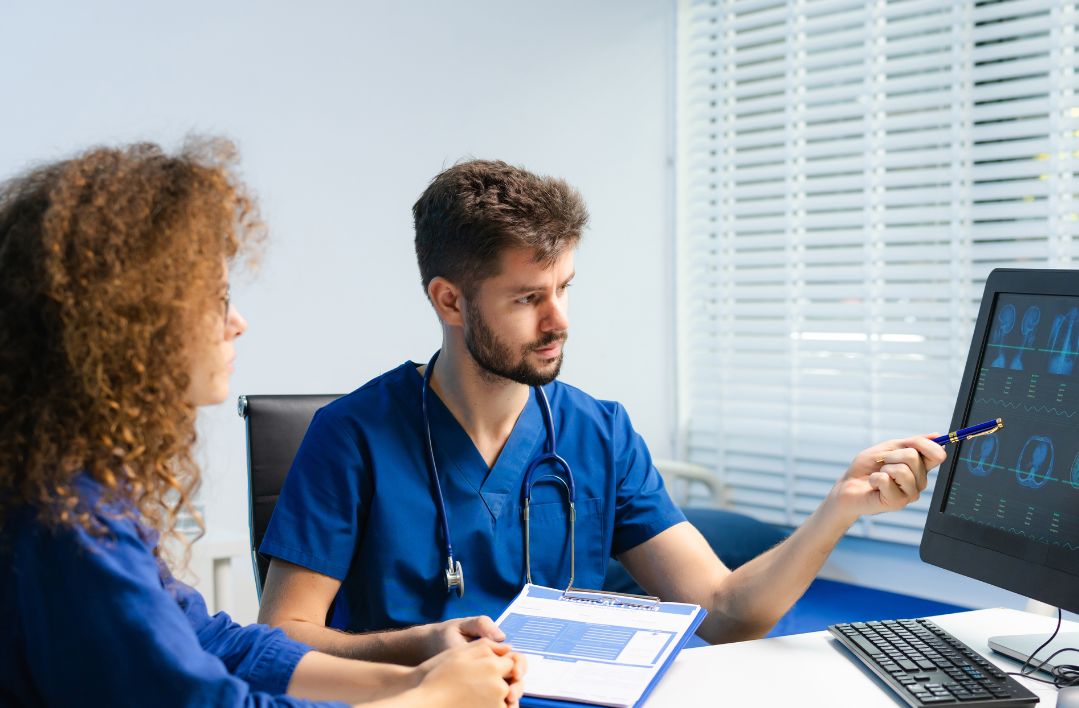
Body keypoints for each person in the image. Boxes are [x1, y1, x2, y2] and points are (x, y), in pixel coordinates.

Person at [0, 142, 525, 708]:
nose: (236, 321)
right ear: (128, 331)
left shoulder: (58, 491)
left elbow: (211, 642)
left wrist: (415, 663)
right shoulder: (61, 529)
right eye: (214, 301)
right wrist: (430, 698)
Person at [257, 159, 948, 664]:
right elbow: (281, 637)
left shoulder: (598, 433)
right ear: (449, 301)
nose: (559, 320)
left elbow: (725, 614)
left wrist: (840, 509)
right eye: (529, 298)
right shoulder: (351, 438)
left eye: (565, 288)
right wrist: (425, 644)